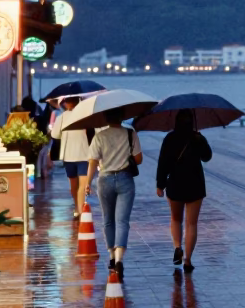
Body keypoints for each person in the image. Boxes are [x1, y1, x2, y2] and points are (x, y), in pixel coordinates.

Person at [86, 110, 144, 281]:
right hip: (125, 179)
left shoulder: (99, 136)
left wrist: (88, 183)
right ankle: (119, 258)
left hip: (105, 180)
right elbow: (138, 159)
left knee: (108, 220)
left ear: (106, 118)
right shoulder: (130, 133)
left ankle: (111, 258)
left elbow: (93, 162)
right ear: (122, 117)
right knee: (122, 221)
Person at [155, 108, 213, 272]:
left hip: (175, 183)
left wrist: (160, 184)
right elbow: (207, 157)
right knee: (192, 223)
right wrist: (202, 140)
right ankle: (187, 260)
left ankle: (177, 247)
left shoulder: (170, 138)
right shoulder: (197, 138)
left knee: (176, 219)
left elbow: (163, 163)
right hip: (195, 184)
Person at [50, 97, 93, 218]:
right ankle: (79, 209)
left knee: (74, 185)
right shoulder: (86, 115)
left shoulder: (61, 117)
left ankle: (78, 209)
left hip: (68, 155)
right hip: (84, 154)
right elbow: (93, 132)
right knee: (81, 185)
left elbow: (55, 134)